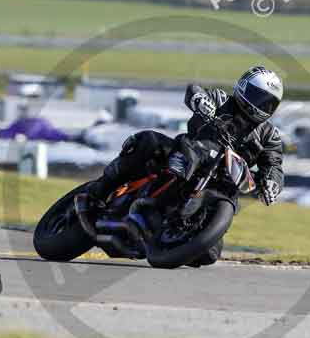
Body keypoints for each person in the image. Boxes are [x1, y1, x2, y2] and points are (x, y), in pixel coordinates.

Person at [76, 66, 284, 263]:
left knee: (209, 254)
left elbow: (274, 165)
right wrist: (200, 100)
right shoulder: (221, 100)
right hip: (189, 151)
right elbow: (195, 90)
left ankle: (172, 234)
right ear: (243, 88)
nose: (261, 105)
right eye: (258, 97)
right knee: (148, 141)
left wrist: (272, 183)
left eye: (268, 103)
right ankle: (97, 192)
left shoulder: (269, 136)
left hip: (223, 184)